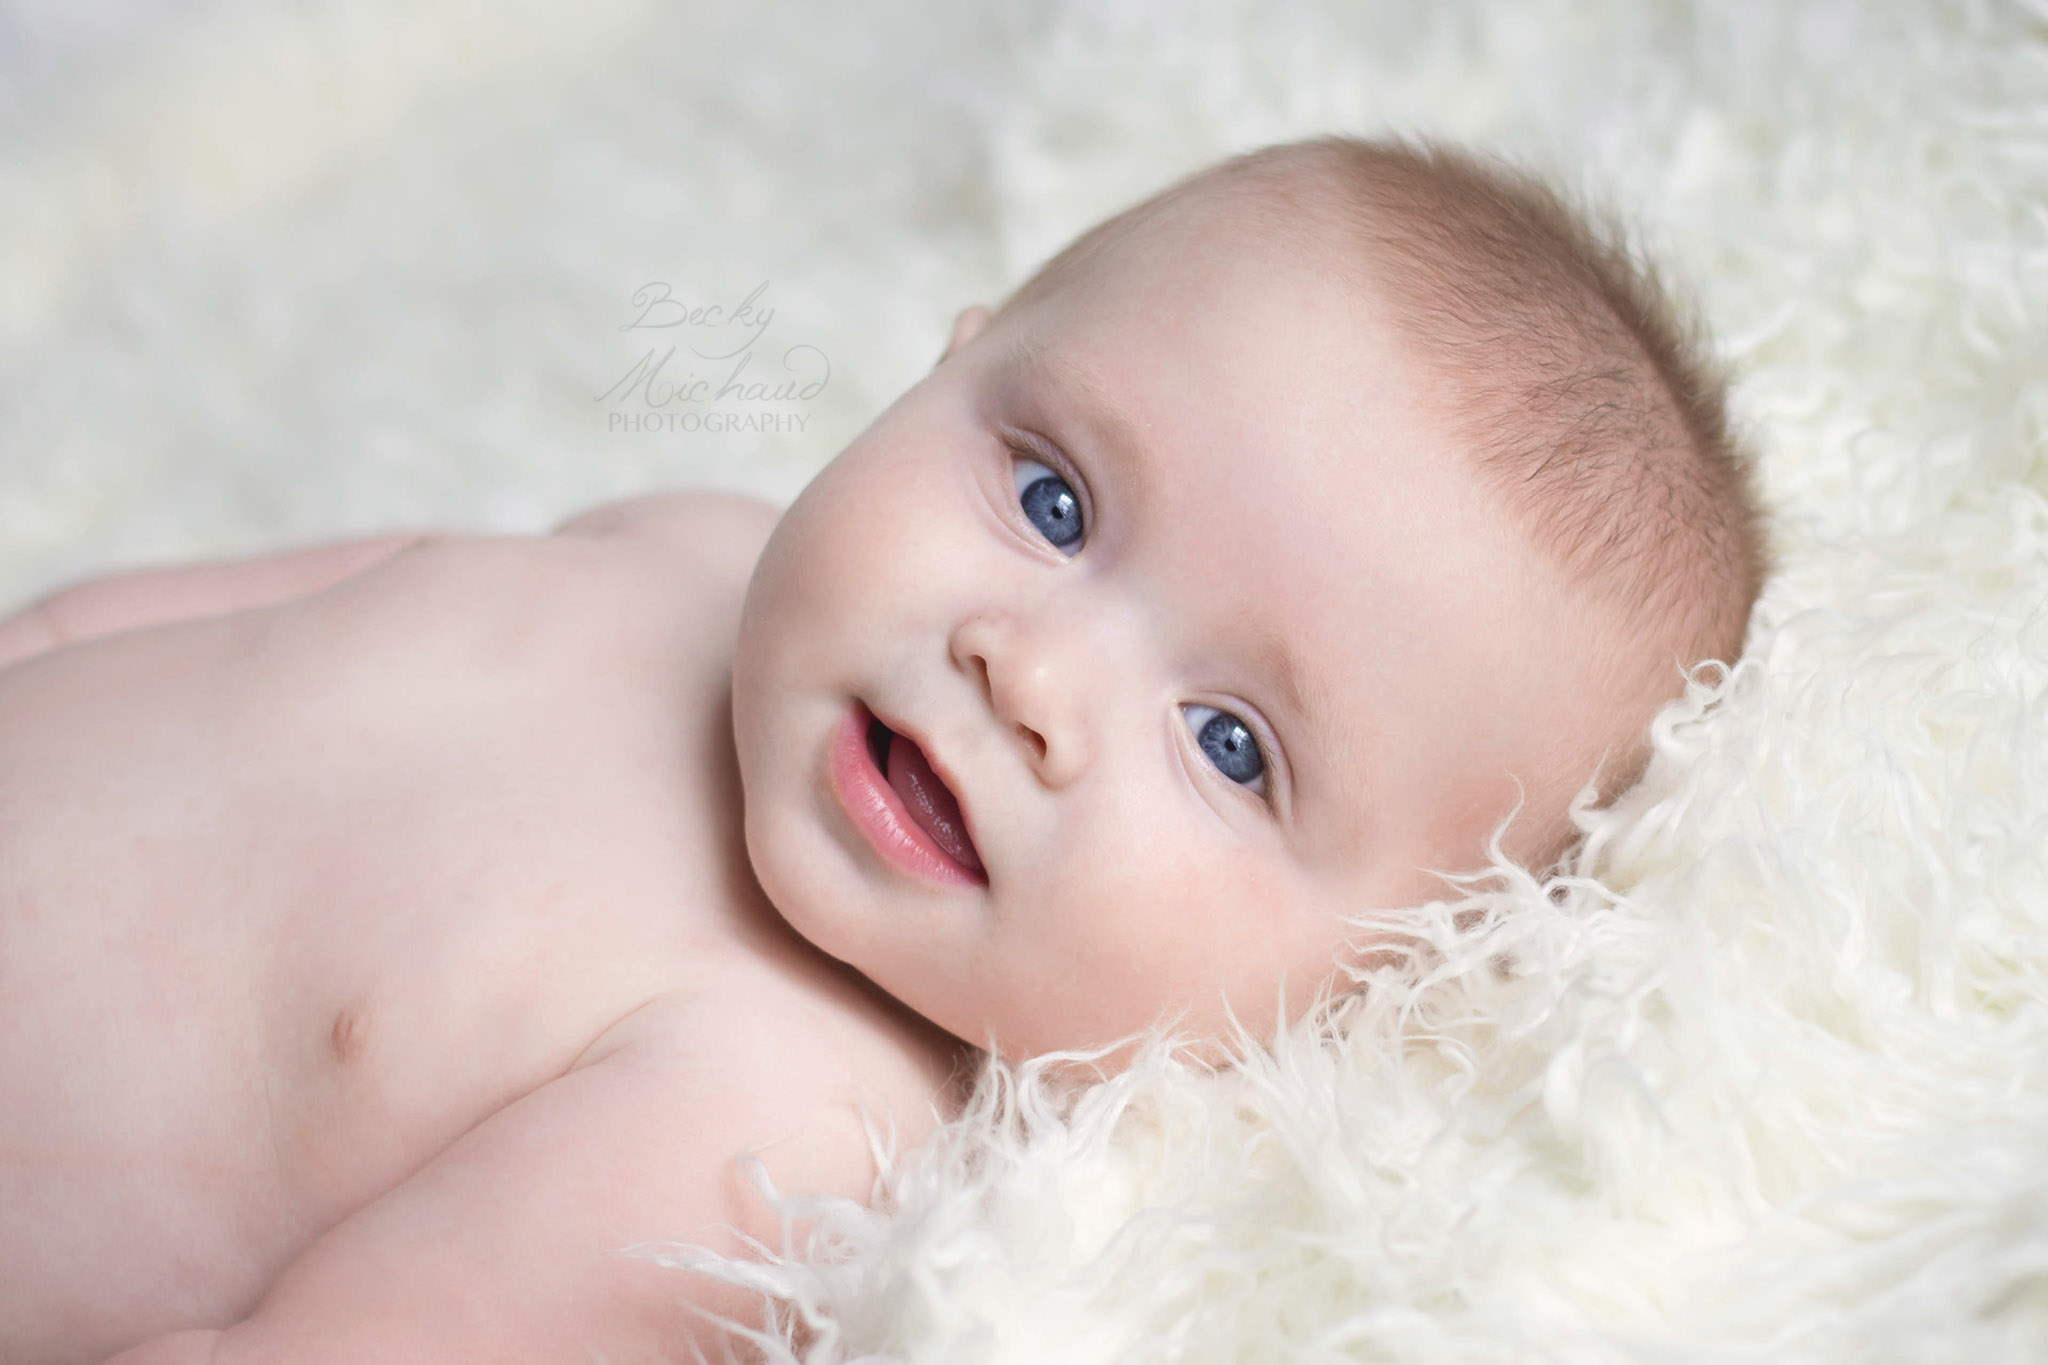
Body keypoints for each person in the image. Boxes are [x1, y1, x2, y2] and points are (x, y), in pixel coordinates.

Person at [0, 135, 1768, 1363]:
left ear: (1370, 983)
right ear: (953, 357)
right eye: (1055, 498)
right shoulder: (685, 544)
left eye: (1230, 743)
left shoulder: (778, 1128)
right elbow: (168, 624)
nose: (1028, 676)